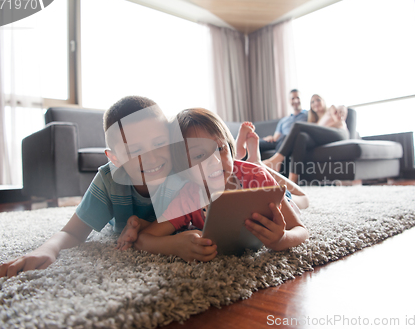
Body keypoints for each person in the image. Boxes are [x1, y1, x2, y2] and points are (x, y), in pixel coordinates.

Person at [0, 96, 184, 278]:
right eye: (135, 151)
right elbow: (72, 232)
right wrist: (47, 249)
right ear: (115, 159)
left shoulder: (184, 171)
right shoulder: (109, 179)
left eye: (160, 143)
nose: (151, 158)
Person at [117, 108, 309, 262]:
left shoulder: (256, 178)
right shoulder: (189, 196)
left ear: (229, 144)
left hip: (260, 180)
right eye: (200, 156)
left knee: (302, 201)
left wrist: (282, 239)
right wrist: (174, 245)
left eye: (219, 148)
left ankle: (255, 161)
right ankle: (253, 160)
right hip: (246, 171)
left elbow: (300, 230)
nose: (215, 161)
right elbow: (144, 239)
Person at [263, 94, 349, 183]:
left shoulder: (331, 109)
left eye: (318, 100)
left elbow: (339, 121)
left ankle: (276, 159)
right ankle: (292, 181)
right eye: (312, 102)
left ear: (323, 101)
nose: (315, 103)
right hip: (324, 138)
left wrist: (342, 109)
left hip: (340, 133)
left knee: (297, 125)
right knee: (301, 137)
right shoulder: (317, 122)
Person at [254, 89, 308, 155]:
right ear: (289, 101)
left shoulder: (308, 115)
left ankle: (276, 162)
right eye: (292, 98)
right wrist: (270, 138)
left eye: (298, 98)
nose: (295, 100)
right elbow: (275, 138)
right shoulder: (284, 120)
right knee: (255, 143)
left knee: (285, 137)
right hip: (280, 141)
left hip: (293, 141)